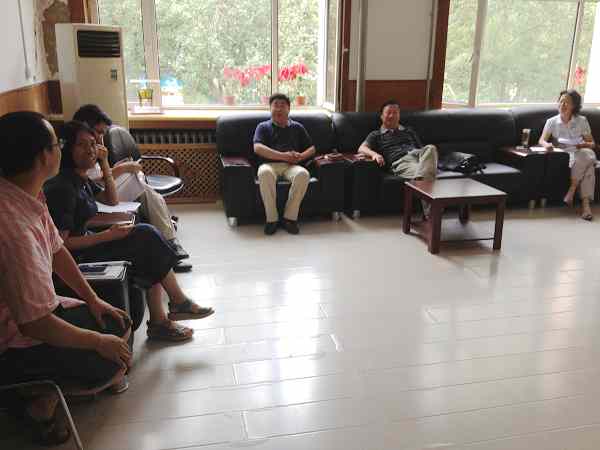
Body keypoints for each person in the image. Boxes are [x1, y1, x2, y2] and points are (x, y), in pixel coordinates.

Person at [0, 111, 132, 445]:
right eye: (57, 143)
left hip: (34, 318)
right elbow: (35, 324)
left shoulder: (26, 194)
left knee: (116, 321)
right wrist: (96, 342)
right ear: (43, 156)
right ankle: (37, 401)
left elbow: (57, 250)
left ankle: (40, 395)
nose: (60, 149)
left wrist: (93, 299)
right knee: (110, 355)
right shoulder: (13, 229)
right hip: (12, 343)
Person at [44, 120, 214, 343]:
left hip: (89, 244)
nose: (90, 150)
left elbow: (111, 200)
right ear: (65, 148)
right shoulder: (62, 187)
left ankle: (165, 317)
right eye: (82, 145)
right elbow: (60, 245)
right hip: (77, 258)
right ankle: (172, 309)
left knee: (147, 237)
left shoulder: (79, 178)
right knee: (146, 238)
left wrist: (105, 163)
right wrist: (108, 235)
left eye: (93, 144)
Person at [72, 104, 192, 270]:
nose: (101, 139)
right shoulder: (79, 154)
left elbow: (98, 182)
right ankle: (171, 242)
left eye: (103, 134)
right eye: (98, 132)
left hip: (102, 195)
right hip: (96, 202)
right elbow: (94, 180)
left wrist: (111, 165)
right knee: (144, 191)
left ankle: (168, 238)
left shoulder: (93, 151)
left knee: (142, 186)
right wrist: (123, 168)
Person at [358, 99, 438, 216]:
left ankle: (430, 212)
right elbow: (361, 148)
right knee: (425, 174)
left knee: (431, 148)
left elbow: (422, 149)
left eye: (395, 113)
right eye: (388, 113)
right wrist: (375, 154)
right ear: (382, 116)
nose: (392, 116)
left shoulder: (409, 130)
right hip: (401, 162)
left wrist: (425, 160)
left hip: (418, 157)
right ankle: (431, 214)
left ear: (399, 115)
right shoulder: (376, 134)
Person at [253, 93, 315, 235]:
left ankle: (289, 218)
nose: (279, 109)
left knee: (303, 174)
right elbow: (257, 148)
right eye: (275, 105)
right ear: (270, 109)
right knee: (264, 173)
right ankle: (272, 219)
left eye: (283, 106)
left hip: (291, 166)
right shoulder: (262, 127)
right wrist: (283, 156)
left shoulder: (297, 127)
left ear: (289, 109)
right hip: (269, 165)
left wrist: (301, 157)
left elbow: (312, 148)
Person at [539, 89, 596, 220]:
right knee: (589, 166)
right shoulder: (552, 121)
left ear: (574, 106)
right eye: (561, 101)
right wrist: (547, 145)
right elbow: (542, 140)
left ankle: (572, 189)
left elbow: (592, 143)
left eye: (567, 102)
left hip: (580, 152)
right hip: (564, 155)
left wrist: (583, 144)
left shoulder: (582, 121)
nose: (562, 104)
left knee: (586, 154)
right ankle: (586, 207)